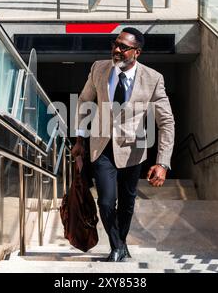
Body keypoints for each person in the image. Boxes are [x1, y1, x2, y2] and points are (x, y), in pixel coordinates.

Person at [72, 27, 175, 262]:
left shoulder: (153, 79)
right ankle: (117, 245)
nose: (116, 50)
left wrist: (162, 163)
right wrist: (79, 139)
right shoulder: (99, 68)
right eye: (115, 44)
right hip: (101, 145)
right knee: (107, 201)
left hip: (133, 150)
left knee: (127, 202)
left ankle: (119, 245)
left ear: (136, 52)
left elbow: (166, 121)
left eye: (123, 47)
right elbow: (84, 100)